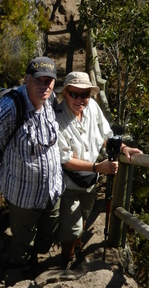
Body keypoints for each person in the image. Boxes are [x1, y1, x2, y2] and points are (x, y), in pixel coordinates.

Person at [0, 56, 64, 271]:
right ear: (27, 79)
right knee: (23, 241)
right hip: (24, 195)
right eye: (39, 80)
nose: (44, 86)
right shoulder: (13, 105)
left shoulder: (50, 100)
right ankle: (20, 270)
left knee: (46, 236)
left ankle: (37, 260)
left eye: (49, 80)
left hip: (52, 189)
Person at [56, 71, 142, 268]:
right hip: (68, 182)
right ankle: (67, 261)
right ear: (65, 93)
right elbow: (65, 160)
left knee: (84, 215)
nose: (79, 99)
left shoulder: (93, 108)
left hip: (90, 180)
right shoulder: (58, 118)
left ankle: (77, 247)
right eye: (74, 94)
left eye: (84, 94)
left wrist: (123, 148)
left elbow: (105, 136)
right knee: (72, 226)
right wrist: (98, 167)